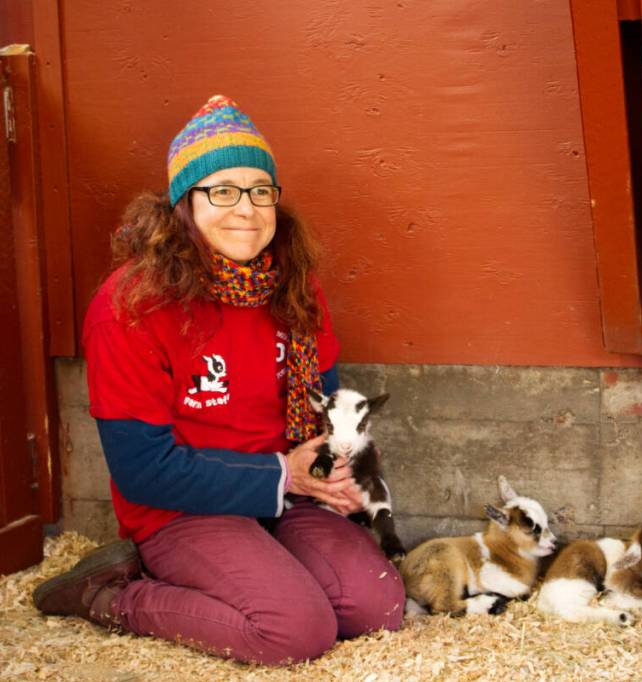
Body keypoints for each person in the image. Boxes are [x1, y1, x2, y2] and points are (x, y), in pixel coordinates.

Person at [32, 95, 405, 665]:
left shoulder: (294, 287)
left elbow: (329, 411)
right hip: (183, 508)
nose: (247, 209)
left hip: (290, 492)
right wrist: (289, 475)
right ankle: (110, 595)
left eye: (261, 191)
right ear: (184, 203)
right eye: (222, 191)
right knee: (295, 632)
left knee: (374, 610)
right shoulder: (131, 307)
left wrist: (339, 472)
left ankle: (272, 557)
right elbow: (142, 470)